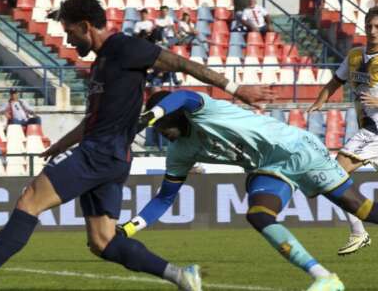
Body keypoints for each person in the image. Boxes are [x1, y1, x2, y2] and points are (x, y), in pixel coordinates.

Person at [0, 0, 274, 290]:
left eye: (69, 32)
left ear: (85, 25)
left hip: (102, 153)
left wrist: (235, 89)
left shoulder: (124, 47)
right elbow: (92, 120)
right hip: (109, 155)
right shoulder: (102, 64)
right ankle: (181, 275)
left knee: (29, 201)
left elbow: (179, 63)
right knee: (102, 241)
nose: (68, 41)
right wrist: (59, 145)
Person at [122, 90, 378, 290]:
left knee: (361, 209)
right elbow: (165, 198)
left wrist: (148, 117)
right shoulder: (179, 152)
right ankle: (324, 278)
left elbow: (183, 96)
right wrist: (128, 228)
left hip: (297, 149)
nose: (160, 133)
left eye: (160, 125)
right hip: (269, 167)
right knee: (259, 215)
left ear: (172, 114)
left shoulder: (203, 109)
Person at [307, 6, 378, 256]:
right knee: (333, 175)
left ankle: (358, 232)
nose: (373, 31)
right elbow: (335, 81)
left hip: (374, 133)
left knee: (333, 175)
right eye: (369, 26)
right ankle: (358, 232)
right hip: (370, 132)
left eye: (377, 27)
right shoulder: (355, 56)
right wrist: (320, 101)